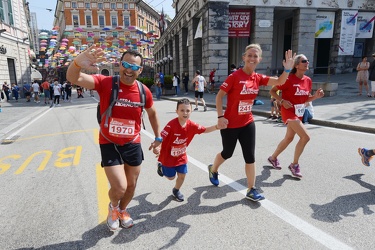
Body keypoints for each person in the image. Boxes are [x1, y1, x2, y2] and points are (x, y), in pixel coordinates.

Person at [66, 45, 161, 231]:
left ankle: (123, 210)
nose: (129, 70)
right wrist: (78, 62)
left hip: (132, 142)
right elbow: (73, 77)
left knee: (131, 186)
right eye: (126, 64)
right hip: (109, 141)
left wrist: (158, 137)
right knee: (120, 187)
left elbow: (152, 113)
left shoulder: (144, 91)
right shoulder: (106, 82)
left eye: (134, 67)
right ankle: (113, 207)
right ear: (120, 65)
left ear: (140, 70)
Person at [208, 44, 295, 202]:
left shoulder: (258, 77)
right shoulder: (234, 76)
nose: (252, 58)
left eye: (255, 56)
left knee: (250, 156)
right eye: (249, 55)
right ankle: (213, 169)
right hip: (230, 124)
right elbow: (219, 96)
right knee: (227, 152)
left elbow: (280, 81)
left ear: (259, 59)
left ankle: (251, 189)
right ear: (244, 58)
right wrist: (220, 117)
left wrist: (287, 69)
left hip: (247, 122)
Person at [267, 54, 324, 179]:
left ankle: (273, 158)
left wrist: (315, 97)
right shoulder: (288, 79)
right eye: (304, 61)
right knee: (306, 137)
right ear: (297, 65)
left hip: (299, 112)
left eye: (308, 60)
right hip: (288, 112)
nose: (307, 62)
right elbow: (272, 91)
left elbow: (305, 99)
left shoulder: (308, 80)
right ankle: (294, 164)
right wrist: (281, 101)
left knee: (289, 138)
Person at [154, 98, 218, 201]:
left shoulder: (192, 125)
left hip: (181, 156)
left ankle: (176, 190)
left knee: (182, 176)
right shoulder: (171, 125)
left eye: (188, 110)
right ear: (177, 111)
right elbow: (162, 137)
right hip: (168, 157)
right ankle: (160, 166)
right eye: (182, 110)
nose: (185, 113)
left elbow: (205, 129)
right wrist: (157, 146)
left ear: (191, 111)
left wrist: (217, 126)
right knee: (171, 178)